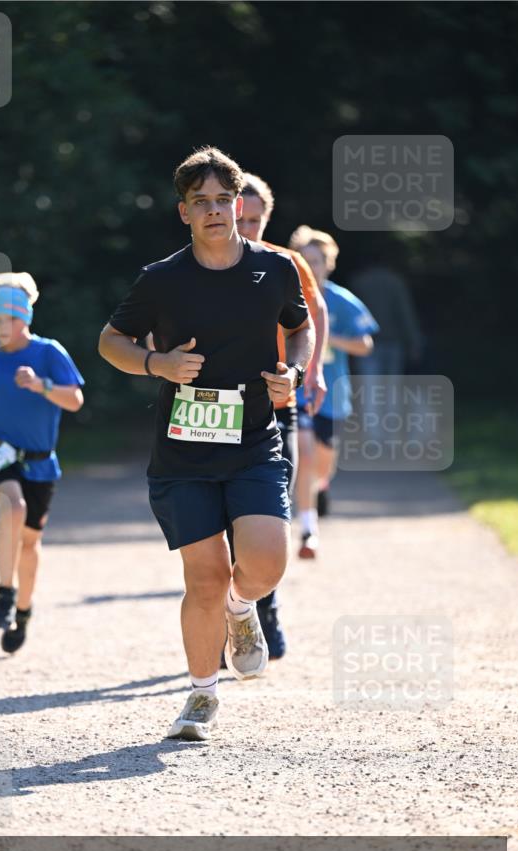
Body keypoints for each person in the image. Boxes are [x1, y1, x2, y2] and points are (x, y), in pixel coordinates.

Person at [99, 147, 313, 741]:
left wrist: (292, 374)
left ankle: (243, 610)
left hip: (252, 442)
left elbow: (301, 328)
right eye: (202, 202)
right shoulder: (162, 279)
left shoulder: (274, 269)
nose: (216, 211)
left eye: (224, 199)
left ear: (239, 204)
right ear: (184, 213)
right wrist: (156, 363)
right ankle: (200, 695)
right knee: (205, 577)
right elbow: (110, 341)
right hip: (183, 453)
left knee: (266, 561)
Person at [0, 272, 84, 653]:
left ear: (22, 317)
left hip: (41, 463)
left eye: (2, 321)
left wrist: (41, 385)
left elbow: (75, 400)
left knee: (29, 544)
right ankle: (5, 590)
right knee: (12, 505)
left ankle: (22, 611)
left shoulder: (48, 353)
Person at [235, 172, 328, 658]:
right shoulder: (207, 265)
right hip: (223, 407)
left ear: (266, 219)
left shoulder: (285, 263)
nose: (247, 228)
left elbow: (314, 315)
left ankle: (265, 606)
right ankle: (236, 608)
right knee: (230, 519)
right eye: (239, 219)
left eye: (256, 220)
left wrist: (311, 372)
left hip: (280, 404)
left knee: (272, 509)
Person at [288, 226, 376, 558]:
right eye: (305, 262)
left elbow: (365, 345)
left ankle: (320, 486)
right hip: (297, 391)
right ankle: (308, 531)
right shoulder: (287, 296)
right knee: (304, 452)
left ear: (329, 263)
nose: (312, 268)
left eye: (317, 261)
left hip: (334, 393)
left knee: (323, 462)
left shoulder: (342, 300)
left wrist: (327, 338)